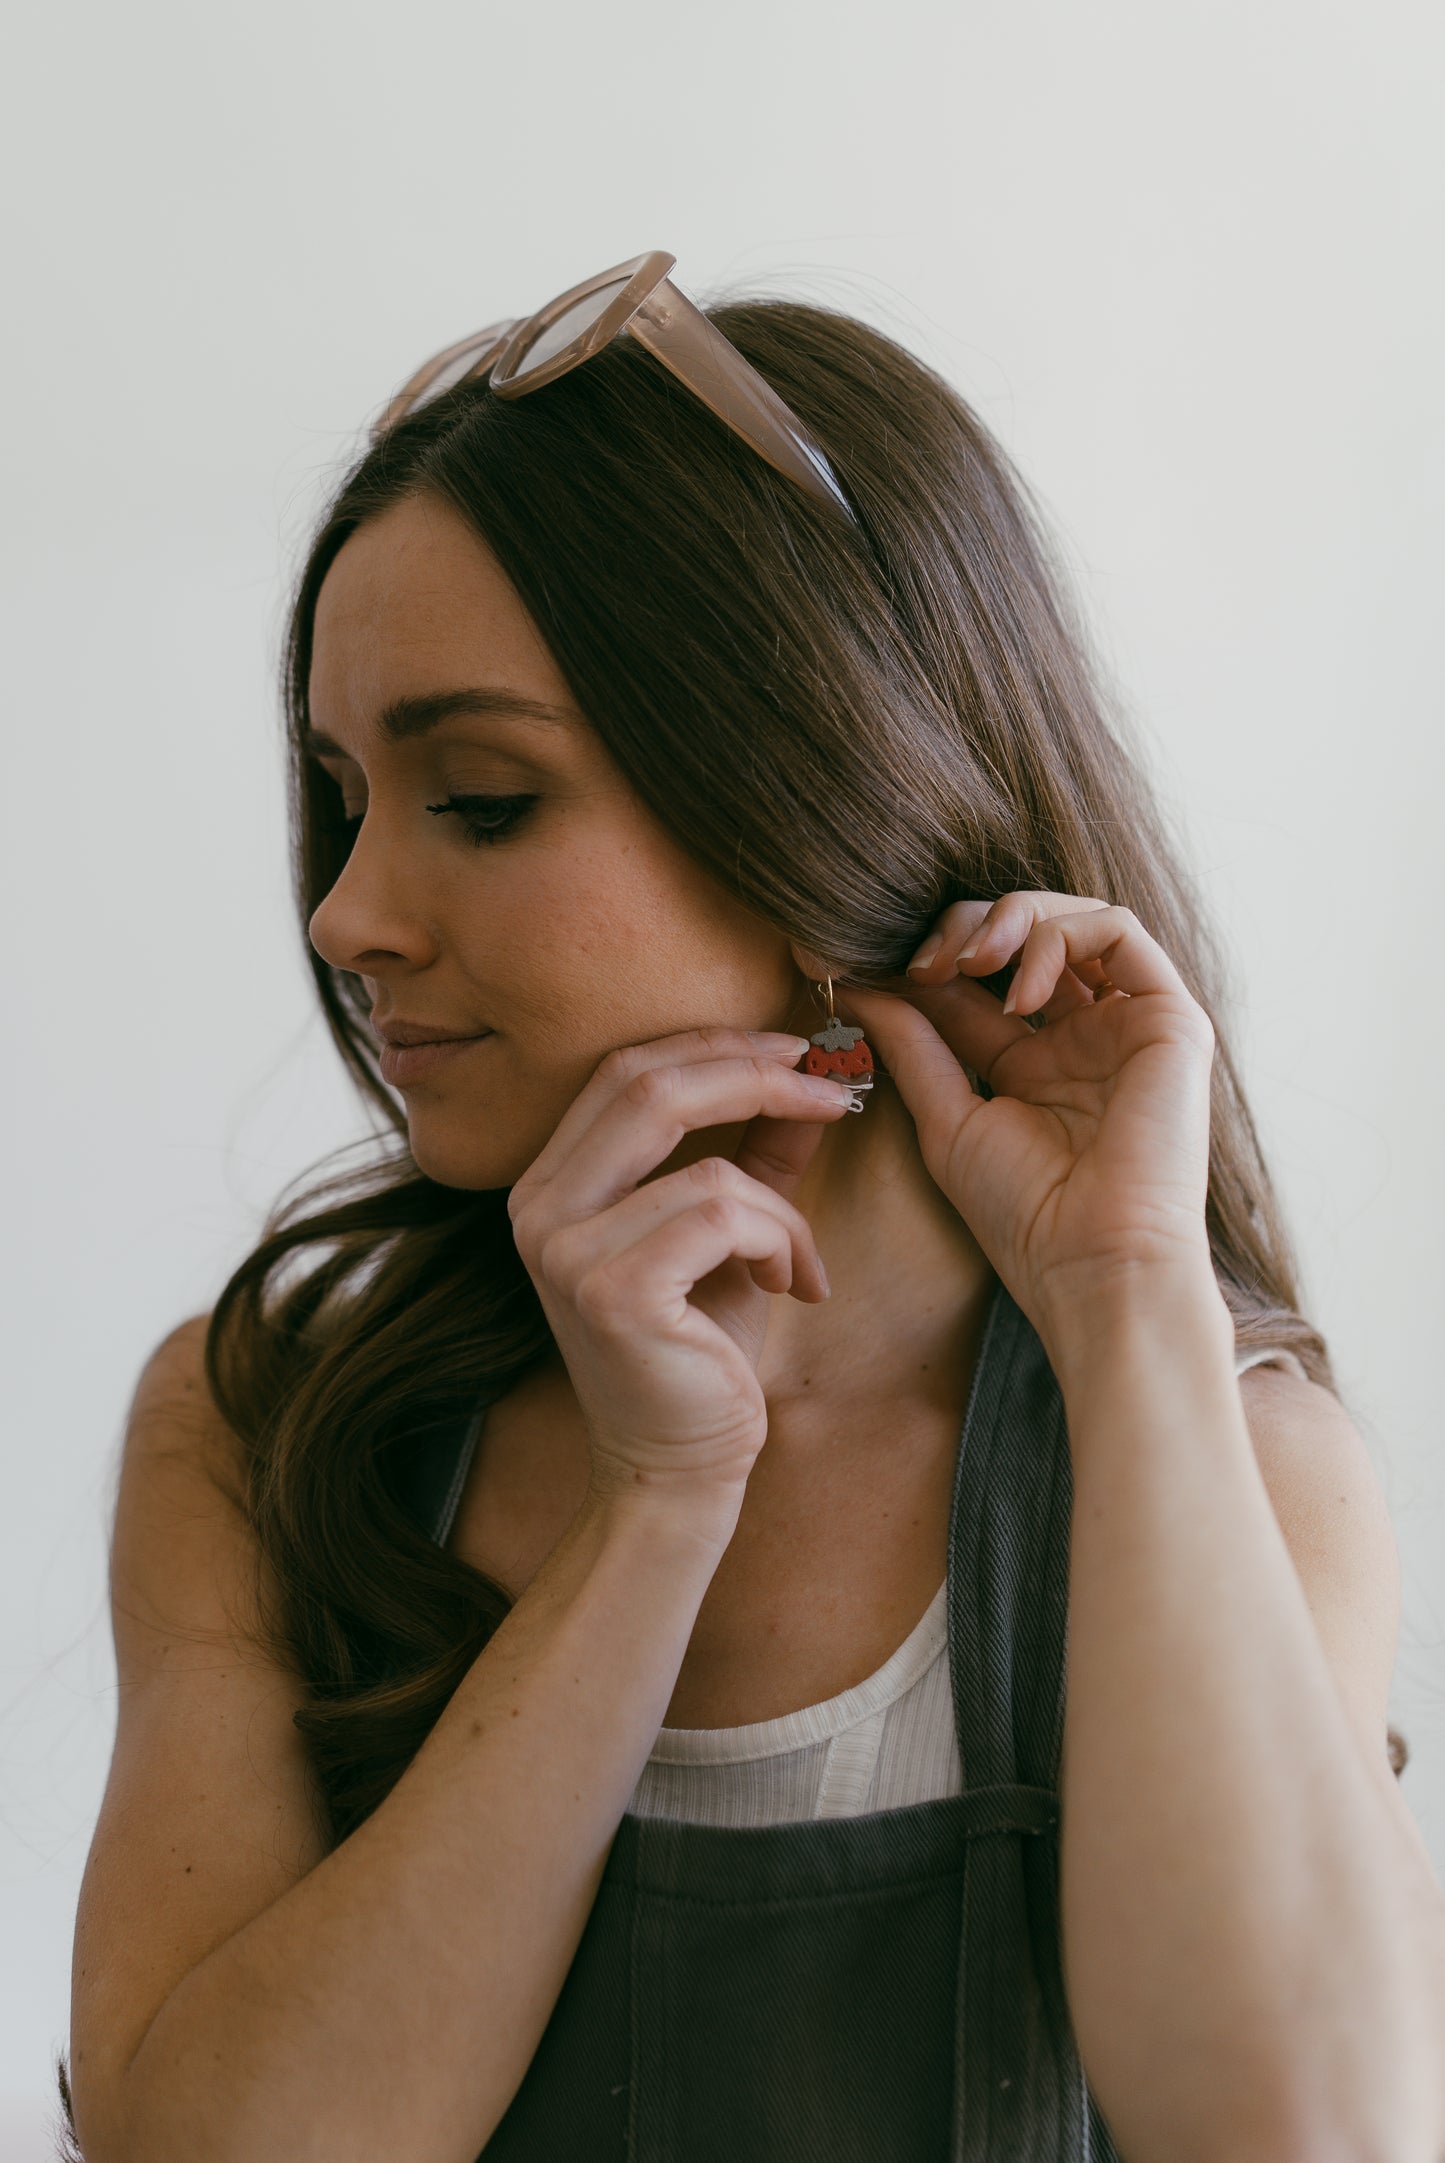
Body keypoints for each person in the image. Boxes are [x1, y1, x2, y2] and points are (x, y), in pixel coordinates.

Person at [58, 258, 1444, 2161]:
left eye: (477, 801)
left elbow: (1298, 2129)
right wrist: (651, 1514)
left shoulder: (1232, 1460)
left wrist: (1128, 1301)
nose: (345, 916)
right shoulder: (262, 1422)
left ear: (815, 800)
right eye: (342, 797)